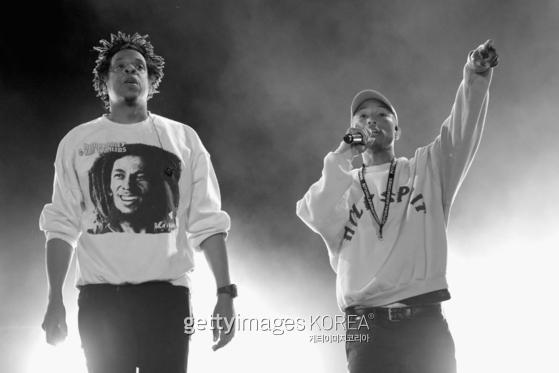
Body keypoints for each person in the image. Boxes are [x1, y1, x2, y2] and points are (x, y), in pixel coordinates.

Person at [40, 31, 237, 373]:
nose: (131, 72)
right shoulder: (77, 142)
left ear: (151, 79)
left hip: (167, 300)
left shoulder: (183, 138)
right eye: (120, 66)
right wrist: (54, 298)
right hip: (101, 302)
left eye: (139, 67)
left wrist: (225, 292)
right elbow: (61, 225)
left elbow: (207, 220)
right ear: (105, 79)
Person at [296, 40, 499, 373]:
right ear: (352, 130)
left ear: (397, 129)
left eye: (382, 114)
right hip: (367, 329)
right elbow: (313, 211)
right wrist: (342, 154)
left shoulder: (426, 169)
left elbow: (460, 132)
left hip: (424, 325)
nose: (371, 120)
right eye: (362, 117)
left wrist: (475, 73)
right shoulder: (342, 186)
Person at [87, 143, 181, 234]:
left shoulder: (169, 232)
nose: (127, 186)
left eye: (140, 177)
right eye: (119, 175)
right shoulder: (98, 239)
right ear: (108, 187)